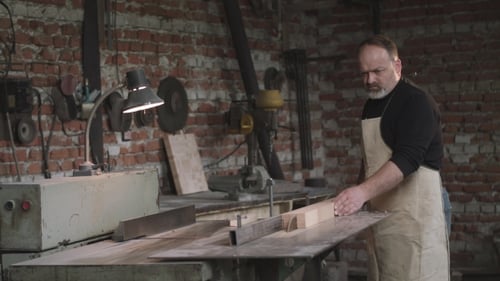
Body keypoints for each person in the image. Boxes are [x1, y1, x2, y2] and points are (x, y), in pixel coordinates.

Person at [333, 34, 450, 281]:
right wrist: (358, 194)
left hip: (415, 216)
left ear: (397, 65)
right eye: (364, 73)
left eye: (378, 71)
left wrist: (362, 193)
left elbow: (407, 159)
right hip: (382, 214)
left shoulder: (416, 102)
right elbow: (370, 160)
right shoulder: (372, 104)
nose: (370, 80)